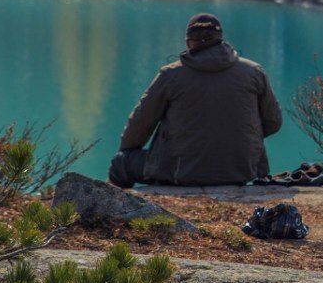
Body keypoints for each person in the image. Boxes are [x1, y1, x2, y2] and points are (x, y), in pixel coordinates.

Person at [108, 12, 282, 187]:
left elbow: (141, 123)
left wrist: (128, 149)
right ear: (220, 39)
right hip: (242, 170)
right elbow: (273, 122)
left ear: (189, 42)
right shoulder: (254, 72)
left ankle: (119, 210)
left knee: (121, 163)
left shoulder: (171, 75)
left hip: (180, 171)